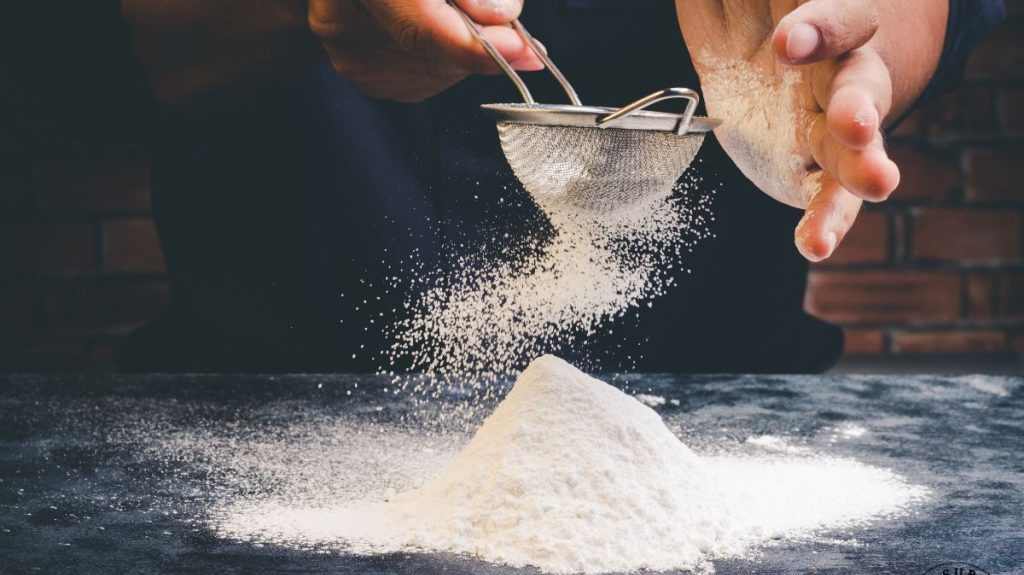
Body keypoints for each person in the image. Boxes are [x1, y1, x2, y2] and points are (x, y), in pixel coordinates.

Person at [2, 1, 1005, 373]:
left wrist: (884, 29)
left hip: (720, 417)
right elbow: (63, 50)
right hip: (251, 400)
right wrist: (295, 11)